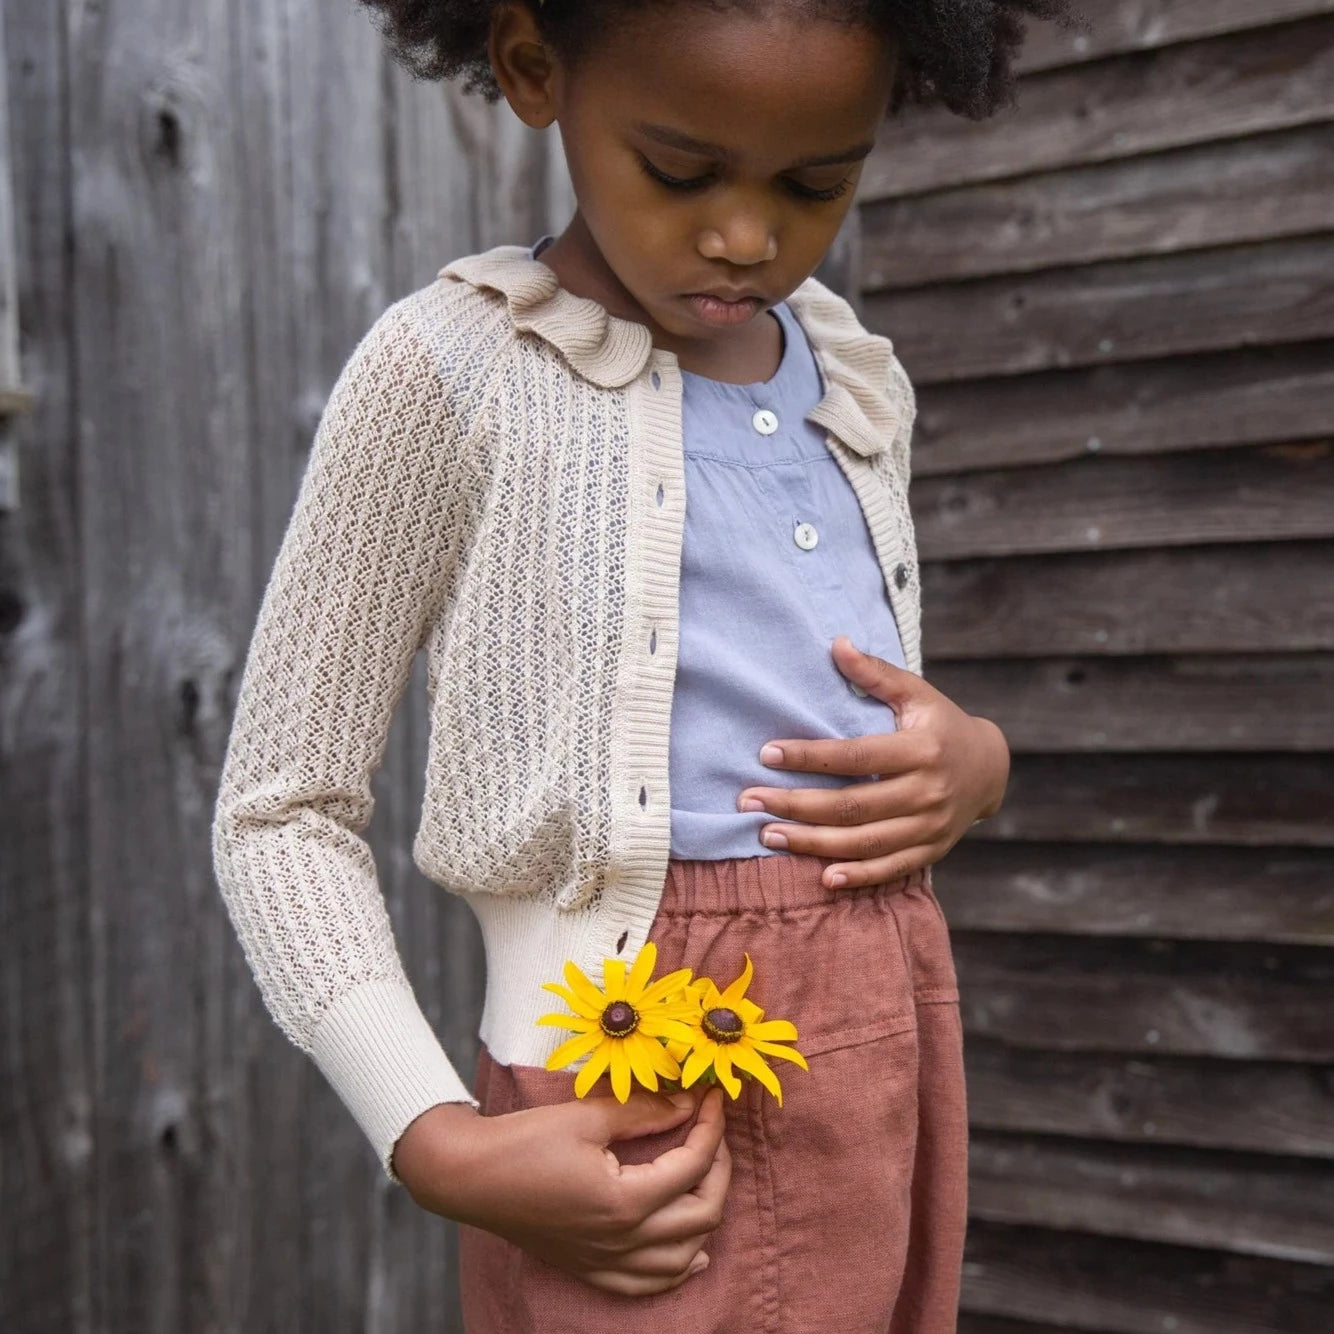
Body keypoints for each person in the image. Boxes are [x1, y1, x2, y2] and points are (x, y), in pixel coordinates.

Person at [212, 0, 1071, 1328]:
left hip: (884, 1030)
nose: (746, 234)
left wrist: (978, 762)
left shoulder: (853, 375)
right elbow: (281, 808)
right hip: (624, 1075)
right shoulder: (454, 375)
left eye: (814, 182)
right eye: (680, 171)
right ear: (533, 66)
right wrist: (430, 1131)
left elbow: (841, 697)